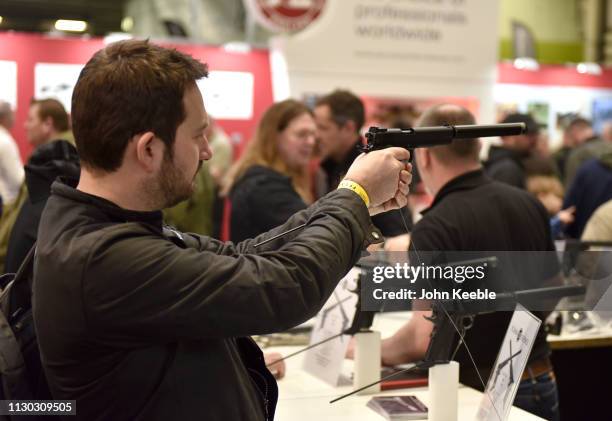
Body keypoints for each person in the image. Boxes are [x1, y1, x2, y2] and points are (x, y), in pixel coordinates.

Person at [32, 39, 411, 421]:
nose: (207, 151)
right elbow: (287, 286)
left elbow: (243, 254)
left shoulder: (109, 227)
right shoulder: (102, 257)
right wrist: (355, 194)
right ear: (148, 150)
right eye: (198, 135)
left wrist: (344, 204)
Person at [368, 104, 560, 421]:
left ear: (425, 156)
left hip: (477, 392)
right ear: (479, 145)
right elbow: (551, 292)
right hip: (538, 377)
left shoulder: (434, 227)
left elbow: (422, 338)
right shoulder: (528, 203)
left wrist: (370, 350)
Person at [314, 90, 412, 251]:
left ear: (348, 127)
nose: (315, 135)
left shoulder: (375, 166)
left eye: (323, 127)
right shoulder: (328, 166)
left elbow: (398, 235)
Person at [224, 99, 316, 242]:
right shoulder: (264, 187)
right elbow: (313, 234)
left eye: (312, 135)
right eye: (301, 134)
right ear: (274, 136)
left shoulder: (262, 178)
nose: (311, 142)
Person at [484, 113, 539, 189]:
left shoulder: (504, 163)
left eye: (535, 134)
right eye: (528, 134)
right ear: (508, 135)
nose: (534, 139)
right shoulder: (507, 168)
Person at [526, 175, 575, 240]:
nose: (561, 201)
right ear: (542, 196)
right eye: (558, 196)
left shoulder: (549, 215)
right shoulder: (532, 216)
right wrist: (558, 220)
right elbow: (542, 233)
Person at [0, 101, 24, 205]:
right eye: (12, 114)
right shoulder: (5, 141)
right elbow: (18, 180)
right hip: (6, 203)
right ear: (4, 117)